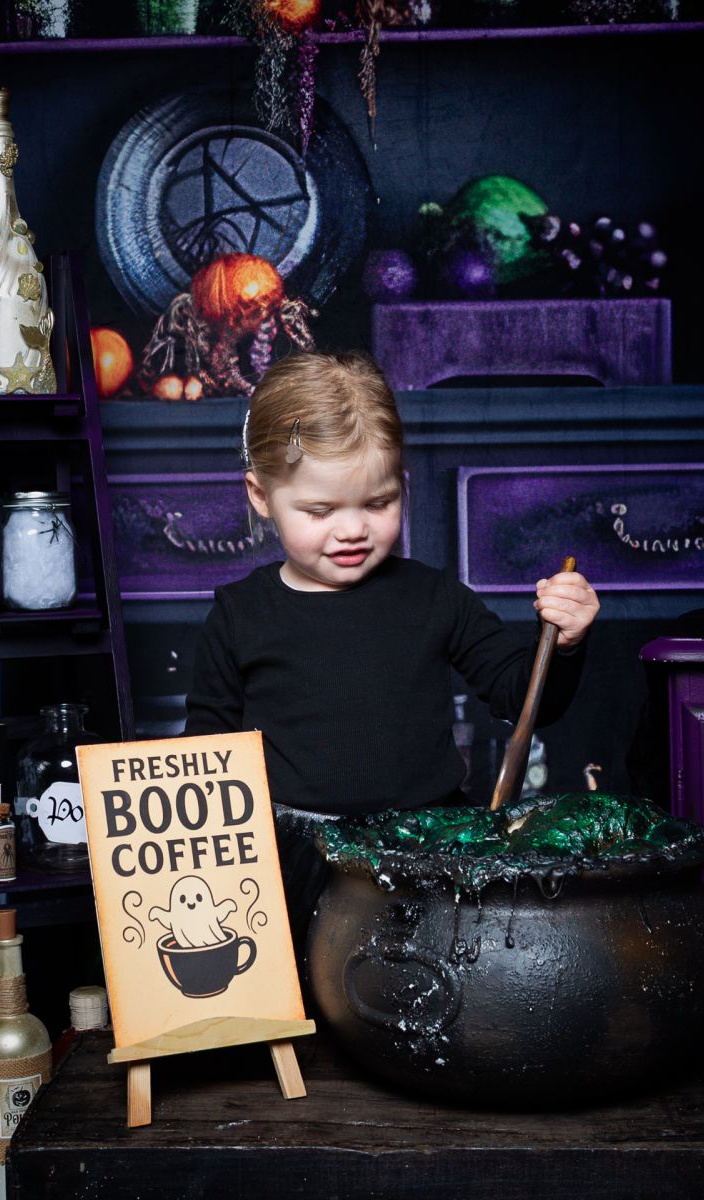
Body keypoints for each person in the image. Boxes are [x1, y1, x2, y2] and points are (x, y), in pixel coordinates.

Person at [185, 350, 600, 952]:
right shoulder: (239, 615)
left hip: (426, 850)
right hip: (294, 863)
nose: (352, 529)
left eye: (378, 503)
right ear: (261, 494)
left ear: (401, 484)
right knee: (314, 1013)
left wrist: (564, 643)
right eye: (321, 510)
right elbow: (205, 756)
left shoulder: (434, 598)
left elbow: (524, 699)